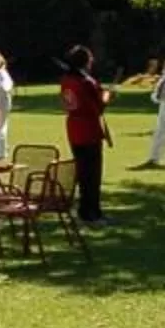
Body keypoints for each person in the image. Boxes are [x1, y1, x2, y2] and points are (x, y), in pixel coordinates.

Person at [60, 45, 110, 225]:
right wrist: (106, 96)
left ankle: (85, 210)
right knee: (92, 174)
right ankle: (92, 213)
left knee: (82, 173)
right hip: (89, 129)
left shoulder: (66, 79)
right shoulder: (86, 82)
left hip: (74, 128)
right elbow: (97, 108)